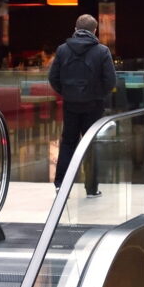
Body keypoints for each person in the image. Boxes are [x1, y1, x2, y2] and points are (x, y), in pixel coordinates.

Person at [47, 12, 119, 196]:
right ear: (95, 30)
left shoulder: (63, 50)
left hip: (71, 104)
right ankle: (91, 188)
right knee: (91, 144)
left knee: (68, 142)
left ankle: (61, 185)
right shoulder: (102, 51)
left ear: (75, 29)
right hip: (94, 105)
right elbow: (110, 80)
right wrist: (98, 94)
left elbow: (53, 77)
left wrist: (67, 93)